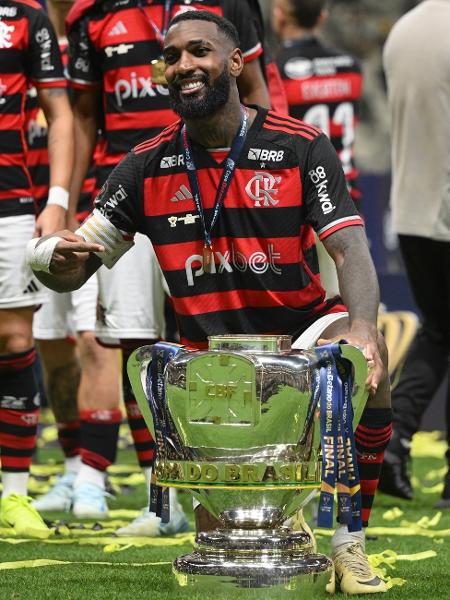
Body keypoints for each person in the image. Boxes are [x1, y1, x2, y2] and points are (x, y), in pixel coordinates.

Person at [28, 11, 392, 594]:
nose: (184, 66)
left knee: (369, 367)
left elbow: (350, 251)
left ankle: (349, 546)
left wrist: (366, 329)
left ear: (235, 62)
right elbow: (78, 264)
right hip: (207, 358)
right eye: (171, 58)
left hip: (298, 334)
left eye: (199, 51)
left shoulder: (299, 147)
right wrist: (58, 262)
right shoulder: (145, 164)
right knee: (232, 555)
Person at [64, 0, 279, 537]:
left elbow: (254, 89)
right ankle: (163, 502)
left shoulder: (227, 4)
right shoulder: (89, 16)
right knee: (138, 347)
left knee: (224, 337)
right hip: (131, 189)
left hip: (217, 188)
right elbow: (85, 114)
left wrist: (260, 183)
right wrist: (70, 200)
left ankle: (237, 491)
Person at [0, 0, 73, 538]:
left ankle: (14, 495)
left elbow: (60, 110)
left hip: (11, 199)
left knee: (14, 336)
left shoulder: (26, 15)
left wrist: (58, 198)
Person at [379, 0, 450, 504]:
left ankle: (394, 441)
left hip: (411, 210)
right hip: (445, 208)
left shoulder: (403, 28)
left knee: (441, 331)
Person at [271, 0, 363, 298]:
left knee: (312, 312)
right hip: (349, 202)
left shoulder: (276, 71)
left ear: (280, 16)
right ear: (323, 16)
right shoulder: (351, 66)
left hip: (304, 206)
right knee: (351, 307)